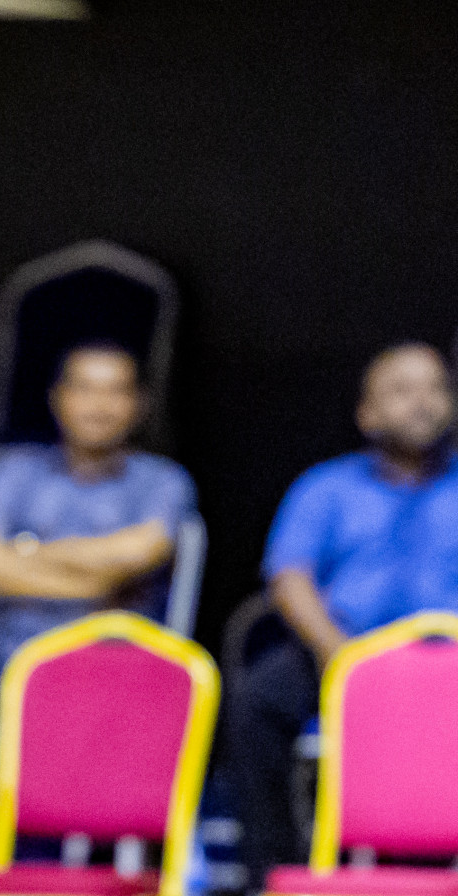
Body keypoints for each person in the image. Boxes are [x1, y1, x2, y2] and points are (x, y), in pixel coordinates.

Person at [0, 342, 197, 860]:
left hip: (112, 666)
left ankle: (58, 871)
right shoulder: (16, 473)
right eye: (85, 388)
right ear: (59, 399)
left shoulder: (162, 480)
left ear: (138, 406)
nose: (99, 405)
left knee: (53, 740)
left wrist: (22, 555)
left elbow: (141, 550)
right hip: (10, 659)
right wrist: (90, 578)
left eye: (116, 391)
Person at [226, 342, 457, 888]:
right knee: (258, 698)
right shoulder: (325, 486)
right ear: (367, 414)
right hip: (344, 650)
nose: (422, 402)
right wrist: (339, 652)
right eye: (402, 391)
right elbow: (290, 579)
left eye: (435, 388)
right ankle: (274, 873)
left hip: (451, 662)